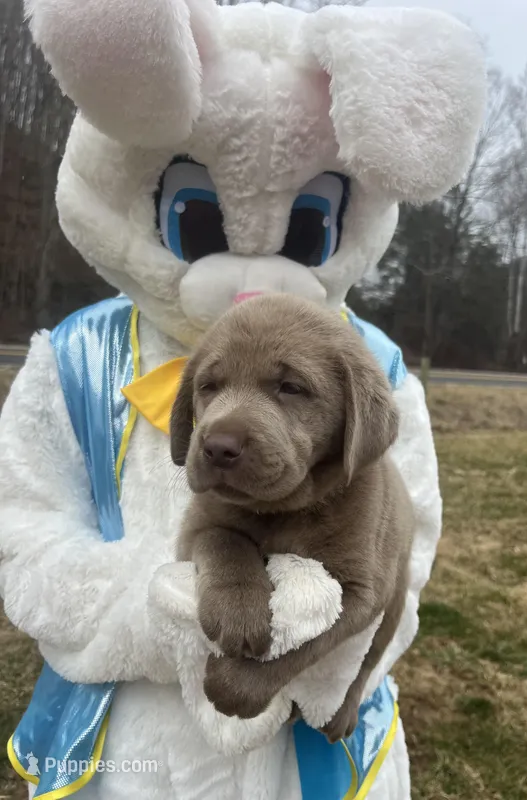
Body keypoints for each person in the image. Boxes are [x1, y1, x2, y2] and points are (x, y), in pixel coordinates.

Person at [0, 0, 486, 797]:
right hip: (131, 746)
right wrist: (161, 613)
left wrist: (320, 655)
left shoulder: (376, 367)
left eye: (305, 231)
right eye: (196, 221)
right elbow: (23, 534)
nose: (248, 277)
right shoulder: (77, 358)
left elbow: (412, 548)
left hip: (310, 751)